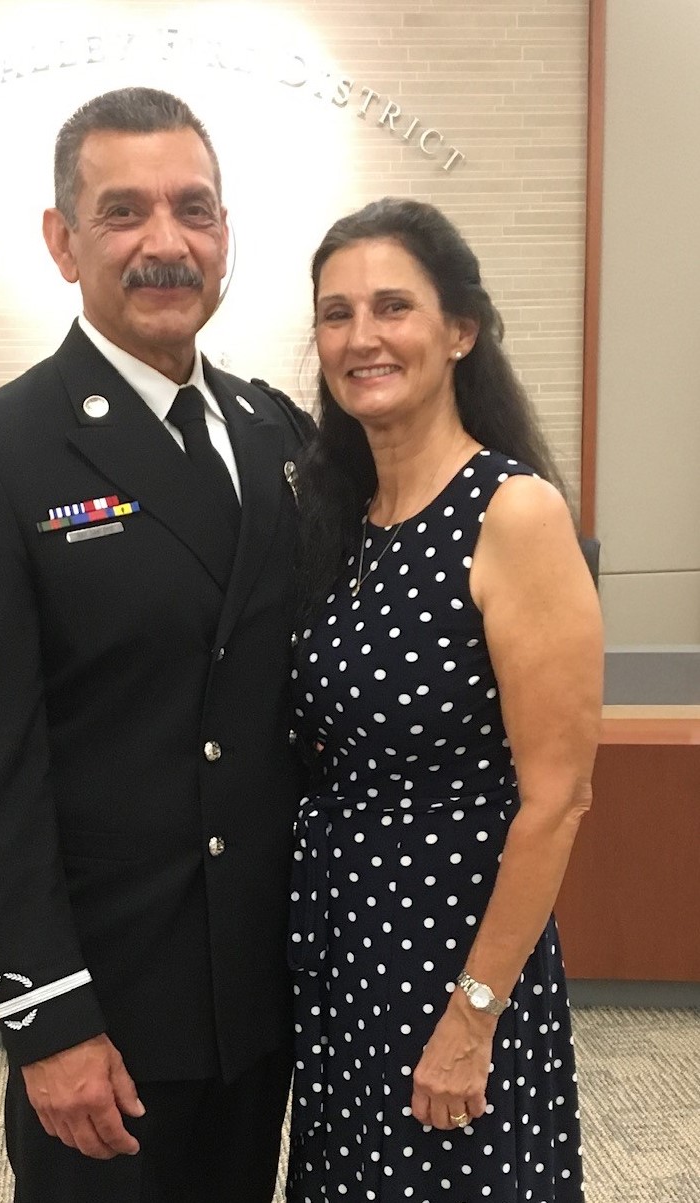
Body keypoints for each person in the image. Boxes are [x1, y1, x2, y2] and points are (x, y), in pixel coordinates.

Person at [0, 87, 312, 1203]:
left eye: (195, 209)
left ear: (227, 237)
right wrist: (48, 1021)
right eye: (124, 211)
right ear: (61, 239)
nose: (166, 242)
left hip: (261, 998)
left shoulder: (281, 435)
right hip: (108, 1016)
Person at [286, 197, 603, 1201]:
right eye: (336, 315)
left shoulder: (513, 512)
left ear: (459, 329)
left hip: (455, 954)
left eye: (392, 307)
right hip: (345, 953)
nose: (361, 338)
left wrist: (474, 1016)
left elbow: (557, 798)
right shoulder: (338, 516)